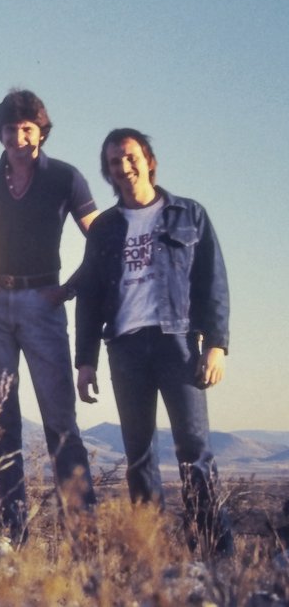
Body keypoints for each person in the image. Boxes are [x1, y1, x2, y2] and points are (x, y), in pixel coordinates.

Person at [75, 128, 233, 557]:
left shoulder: (188, 214)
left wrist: (216, 345)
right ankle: (153, 554)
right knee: (139, 455)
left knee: (194, 449)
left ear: (149, 160)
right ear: (107, 172)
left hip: (177, 343)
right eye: (114, 162)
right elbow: (90, 295)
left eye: (131, 157)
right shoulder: (104, 228)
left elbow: (213, 282)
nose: (124, 167)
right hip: (125, 348)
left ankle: (215, 555)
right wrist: (85, 361)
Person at [0, 89, 97, 544]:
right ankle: (11, 535)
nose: (18, 137)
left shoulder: (65, 177)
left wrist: (70, 288)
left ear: (41, 131)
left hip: (43, 303)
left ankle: (83, 534)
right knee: (1, 420)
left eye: (27, 128)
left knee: (60, 420)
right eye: (10, 129)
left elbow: (102, 237)